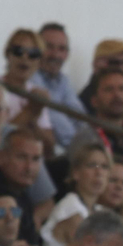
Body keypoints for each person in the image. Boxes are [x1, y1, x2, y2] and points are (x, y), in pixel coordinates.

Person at [29, 23, 79, 152]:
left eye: (62, 49)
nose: (56, 55)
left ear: (67, 54)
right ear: (36, 49)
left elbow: (79, 117)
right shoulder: (30, 78)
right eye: (49, 47)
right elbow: (53, 117)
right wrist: (80, 149)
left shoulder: (63, 81)